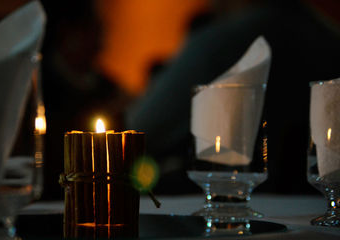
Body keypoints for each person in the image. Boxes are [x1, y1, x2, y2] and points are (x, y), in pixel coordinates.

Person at [126, 0, 340, 194]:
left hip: (227, 207)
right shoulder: (326, 36)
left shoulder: (223, 42)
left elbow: (139, 131)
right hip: (314, 208)